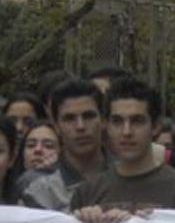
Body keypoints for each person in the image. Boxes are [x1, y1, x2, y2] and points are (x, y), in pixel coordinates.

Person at [70, 76, 175, 220]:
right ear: (106, 125)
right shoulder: (87, 193)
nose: (127, 132)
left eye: (137, 121)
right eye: (117, 121)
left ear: (156, 126)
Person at [21, 79, 109, 211]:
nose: (80, 126)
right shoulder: (35, 184)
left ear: (103, 120)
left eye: (88, 116)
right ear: (56, 126)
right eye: (69, 118)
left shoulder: (128, 173)